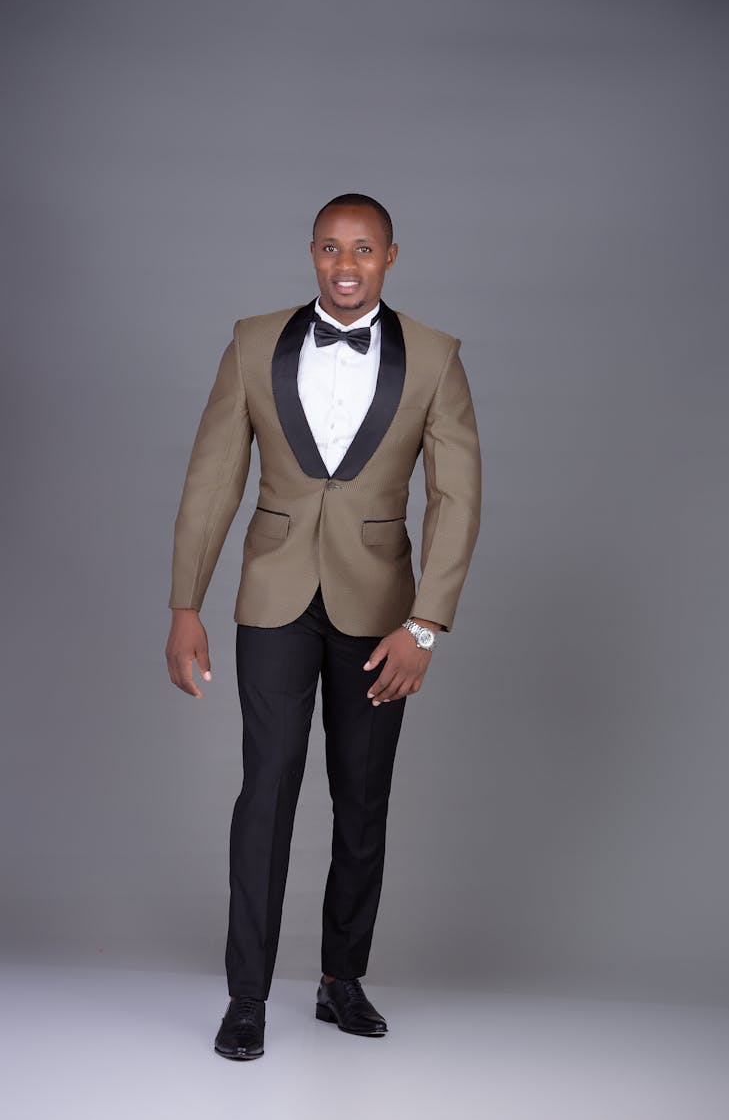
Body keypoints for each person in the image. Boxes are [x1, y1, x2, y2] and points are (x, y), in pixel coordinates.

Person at [165, 193, 481, 1060]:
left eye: (365, 250)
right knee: (263, 792)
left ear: (390, 257)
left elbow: (457, 498)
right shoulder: (251, 341)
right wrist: (184, 601)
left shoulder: (437, 359)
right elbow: (211, 480)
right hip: (271, 596)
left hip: (383, 611)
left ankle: (341, 980)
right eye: (332, 248)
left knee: (362, 796)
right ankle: (248, 997)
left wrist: (426, 626)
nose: (347, 265)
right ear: (311, 252)